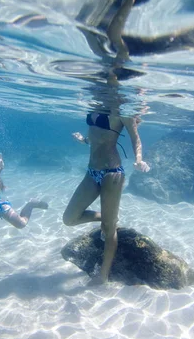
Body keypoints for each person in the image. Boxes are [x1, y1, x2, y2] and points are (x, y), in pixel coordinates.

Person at [63, 76, 150, 284]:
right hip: (91, 172)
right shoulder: (95, 104)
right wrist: (83, 140)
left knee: (109, 230)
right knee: (69, 218)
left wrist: (139, 159)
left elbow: (136, 140)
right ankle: (108, 216)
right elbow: (96, 136)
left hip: (112, 173)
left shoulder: (123, 112)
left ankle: (103, 276)